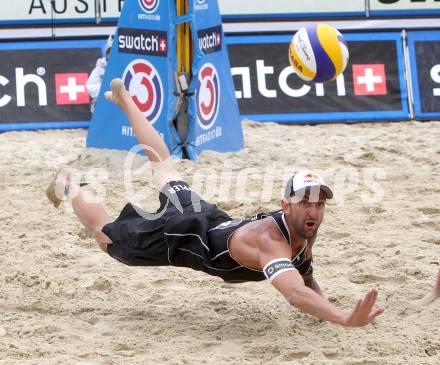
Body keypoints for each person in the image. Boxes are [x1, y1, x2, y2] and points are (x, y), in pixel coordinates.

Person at [46, 78, 384, 327]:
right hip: (181, 235)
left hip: (209, 218)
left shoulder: (304, 227)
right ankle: (69, 185)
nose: (313, 210)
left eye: (319, 203)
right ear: (286, 205)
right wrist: (342, 318)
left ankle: (127, 101)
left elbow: (305, 276)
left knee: (163, 167)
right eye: (305, 202)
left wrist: (323, 312)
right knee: (106, 236)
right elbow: (294, 293)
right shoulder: (271, 241)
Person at [86, 35, 113, 113]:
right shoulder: (99, 69)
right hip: (101, 101)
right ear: (106, 54)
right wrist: (104, 90)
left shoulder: (120, 67)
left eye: (113, 53)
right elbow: (90, 86)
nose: (110, 55)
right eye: (109, 52)